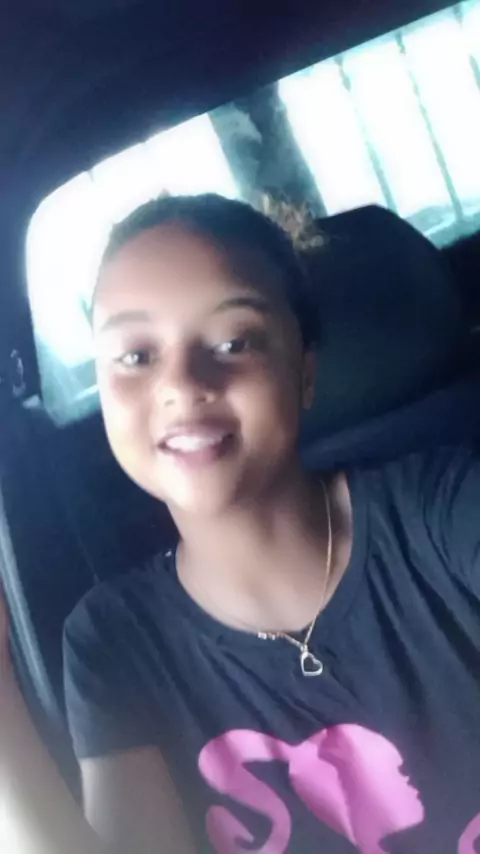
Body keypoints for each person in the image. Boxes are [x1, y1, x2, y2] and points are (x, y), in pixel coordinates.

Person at [1, 193, 480, 854]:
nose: (181, 383)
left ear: (304, 371)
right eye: (135, 355)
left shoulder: (448, 510)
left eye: (234, 342)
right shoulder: (114, 642)